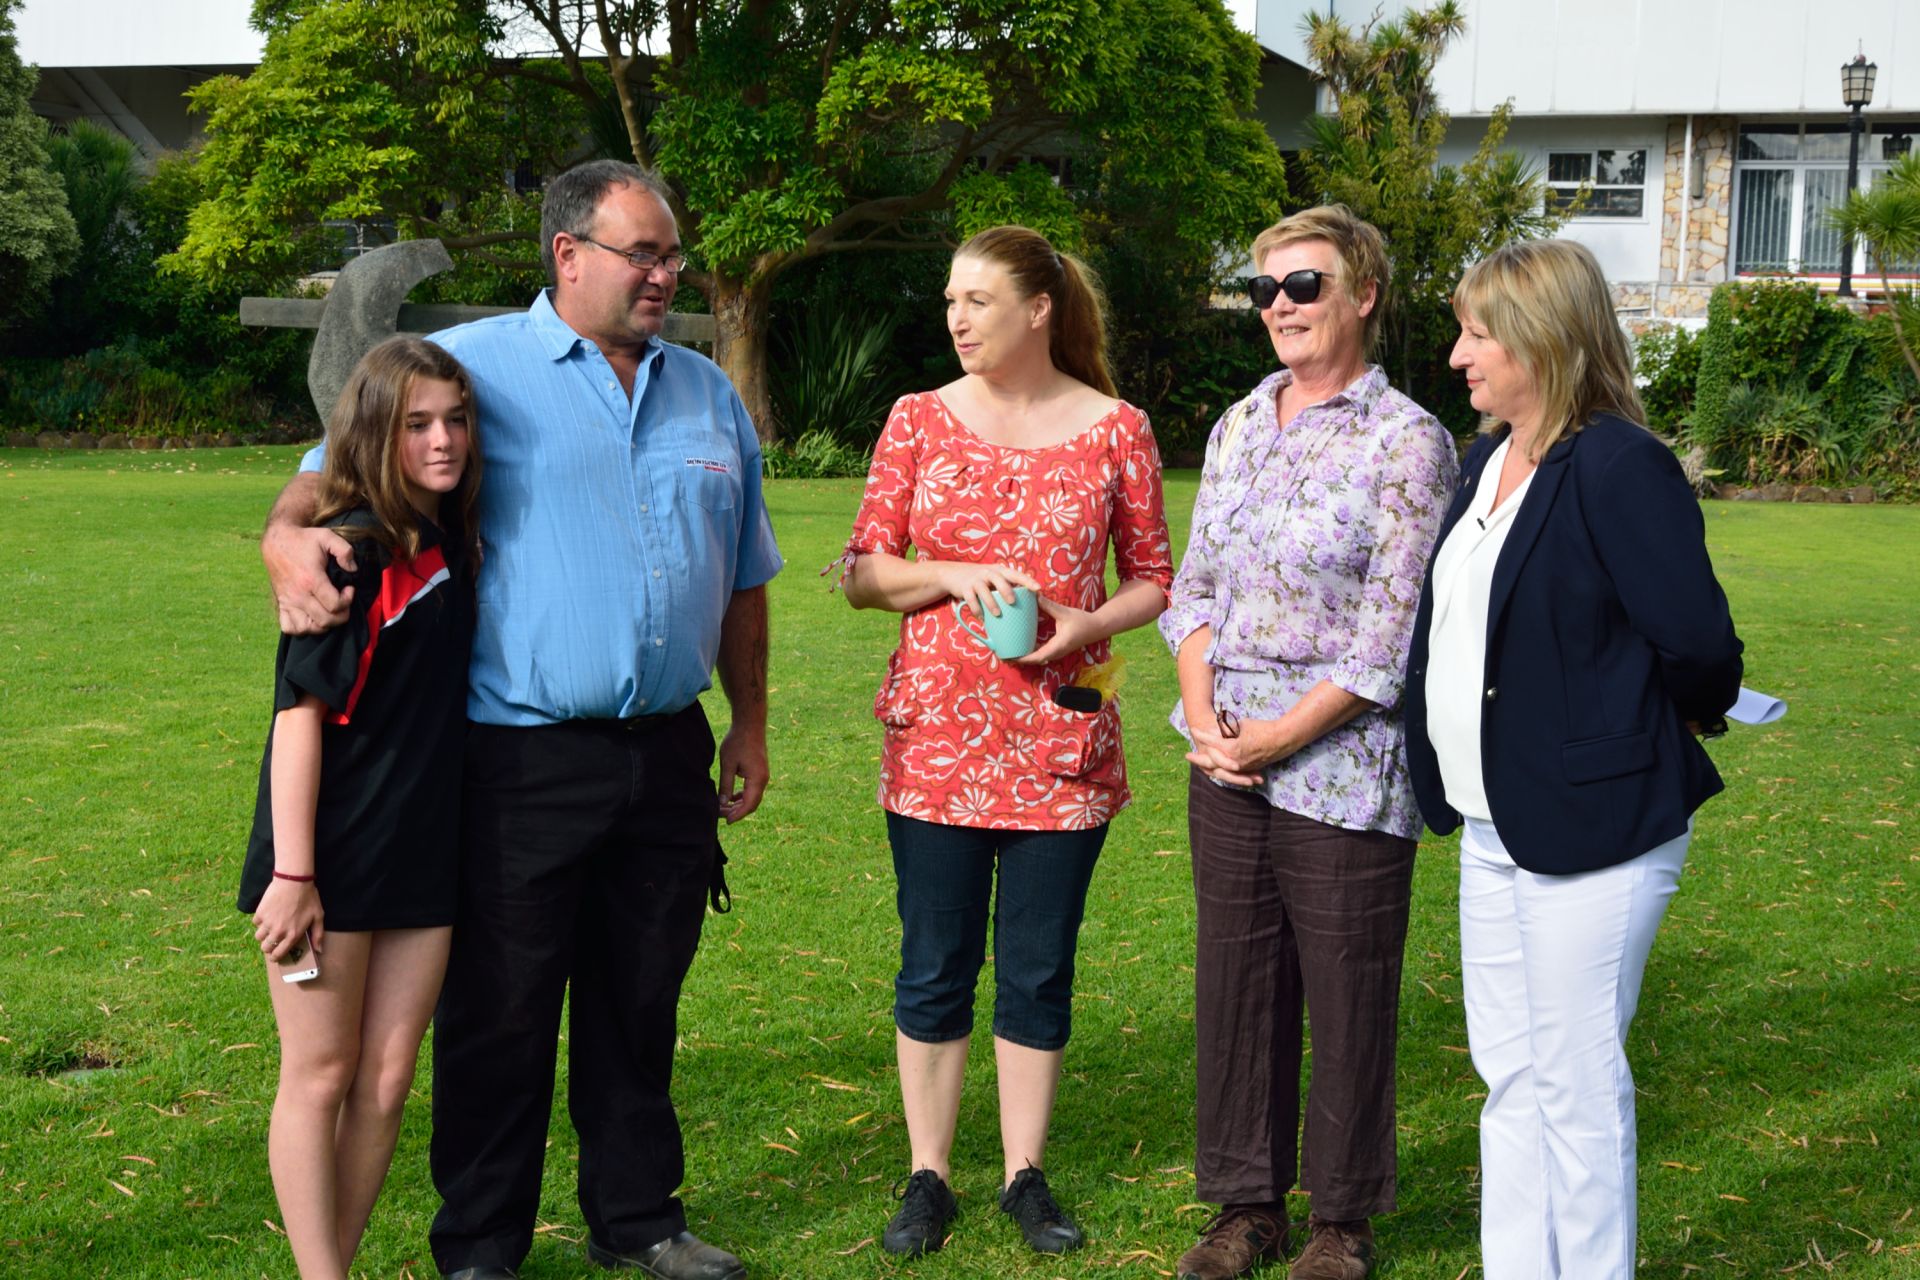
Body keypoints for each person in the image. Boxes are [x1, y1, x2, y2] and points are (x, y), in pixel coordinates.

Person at [261, 160, 783, 1280]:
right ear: (568, 254)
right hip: (516, 758)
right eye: (641, 253)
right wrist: (280, 537)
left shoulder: (704, 394)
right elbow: (332, 470)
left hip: (667, 752)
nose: (664, 273)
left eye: (671, 254)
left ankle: (639, 1216)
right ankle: (483, 1243)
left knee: (641, 999)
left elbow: (746, 575)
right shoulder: (477, 370)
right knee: (498, 1011)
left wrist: (749, 723)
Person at [1403, 239, 1743, 1279]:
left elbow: (1697, 645)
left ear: (1541, 338)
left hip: (1597, 828)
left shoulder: (1614, 462)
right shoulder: (1486, 459)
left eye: (1477, 331)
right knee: (1512, 1078)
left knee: (1578, 1083)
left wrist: (1664, 719)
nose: (1459, 353)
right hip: (1496, 824)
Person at [839, 225, 1173, 1260]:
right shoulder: (918, 419)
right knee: (933, 965)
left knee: (1038, 967)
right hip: (936, 741)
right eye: (950, 300)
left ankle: (1026, 1172)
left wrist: (1088, 626)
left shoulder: (1118, 427)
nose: (956, 318)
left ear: (1039, 309)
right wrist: (952, 571)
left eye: (977, 300)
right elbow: (860, 571)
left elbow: (1154, 575)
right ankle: (928, 1173)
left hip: (1060, 748)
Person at [1160, 205, 1456, 1280]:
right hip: (1222, 751)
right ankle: (1245, 1206)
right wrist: (1204, 715)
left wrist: (1279, 735)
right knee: (1236, 983)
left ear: (1364, 294)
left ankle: (1342, 1218)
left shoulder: (1410, 440)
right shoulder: (1239, 423)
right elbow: (1191, 586)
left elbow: (1390, 632)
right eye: (1264, 290)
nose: (1279, 306)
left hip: (1344, 760)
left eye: (1304, 286)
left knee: (1347, 986)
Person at [239, 335, 482, 1280]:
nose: (442, 441)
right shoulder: (348, 555)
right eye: (417, 423)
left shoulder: (451, 541)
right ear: (375, 432)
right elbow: (296, 723)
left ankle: (329, 1264)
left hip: (423, 855)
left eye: (455, 420)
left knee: (385, 1080)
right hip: (324, 862)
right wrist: (294, 876)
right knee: (322, 1075)